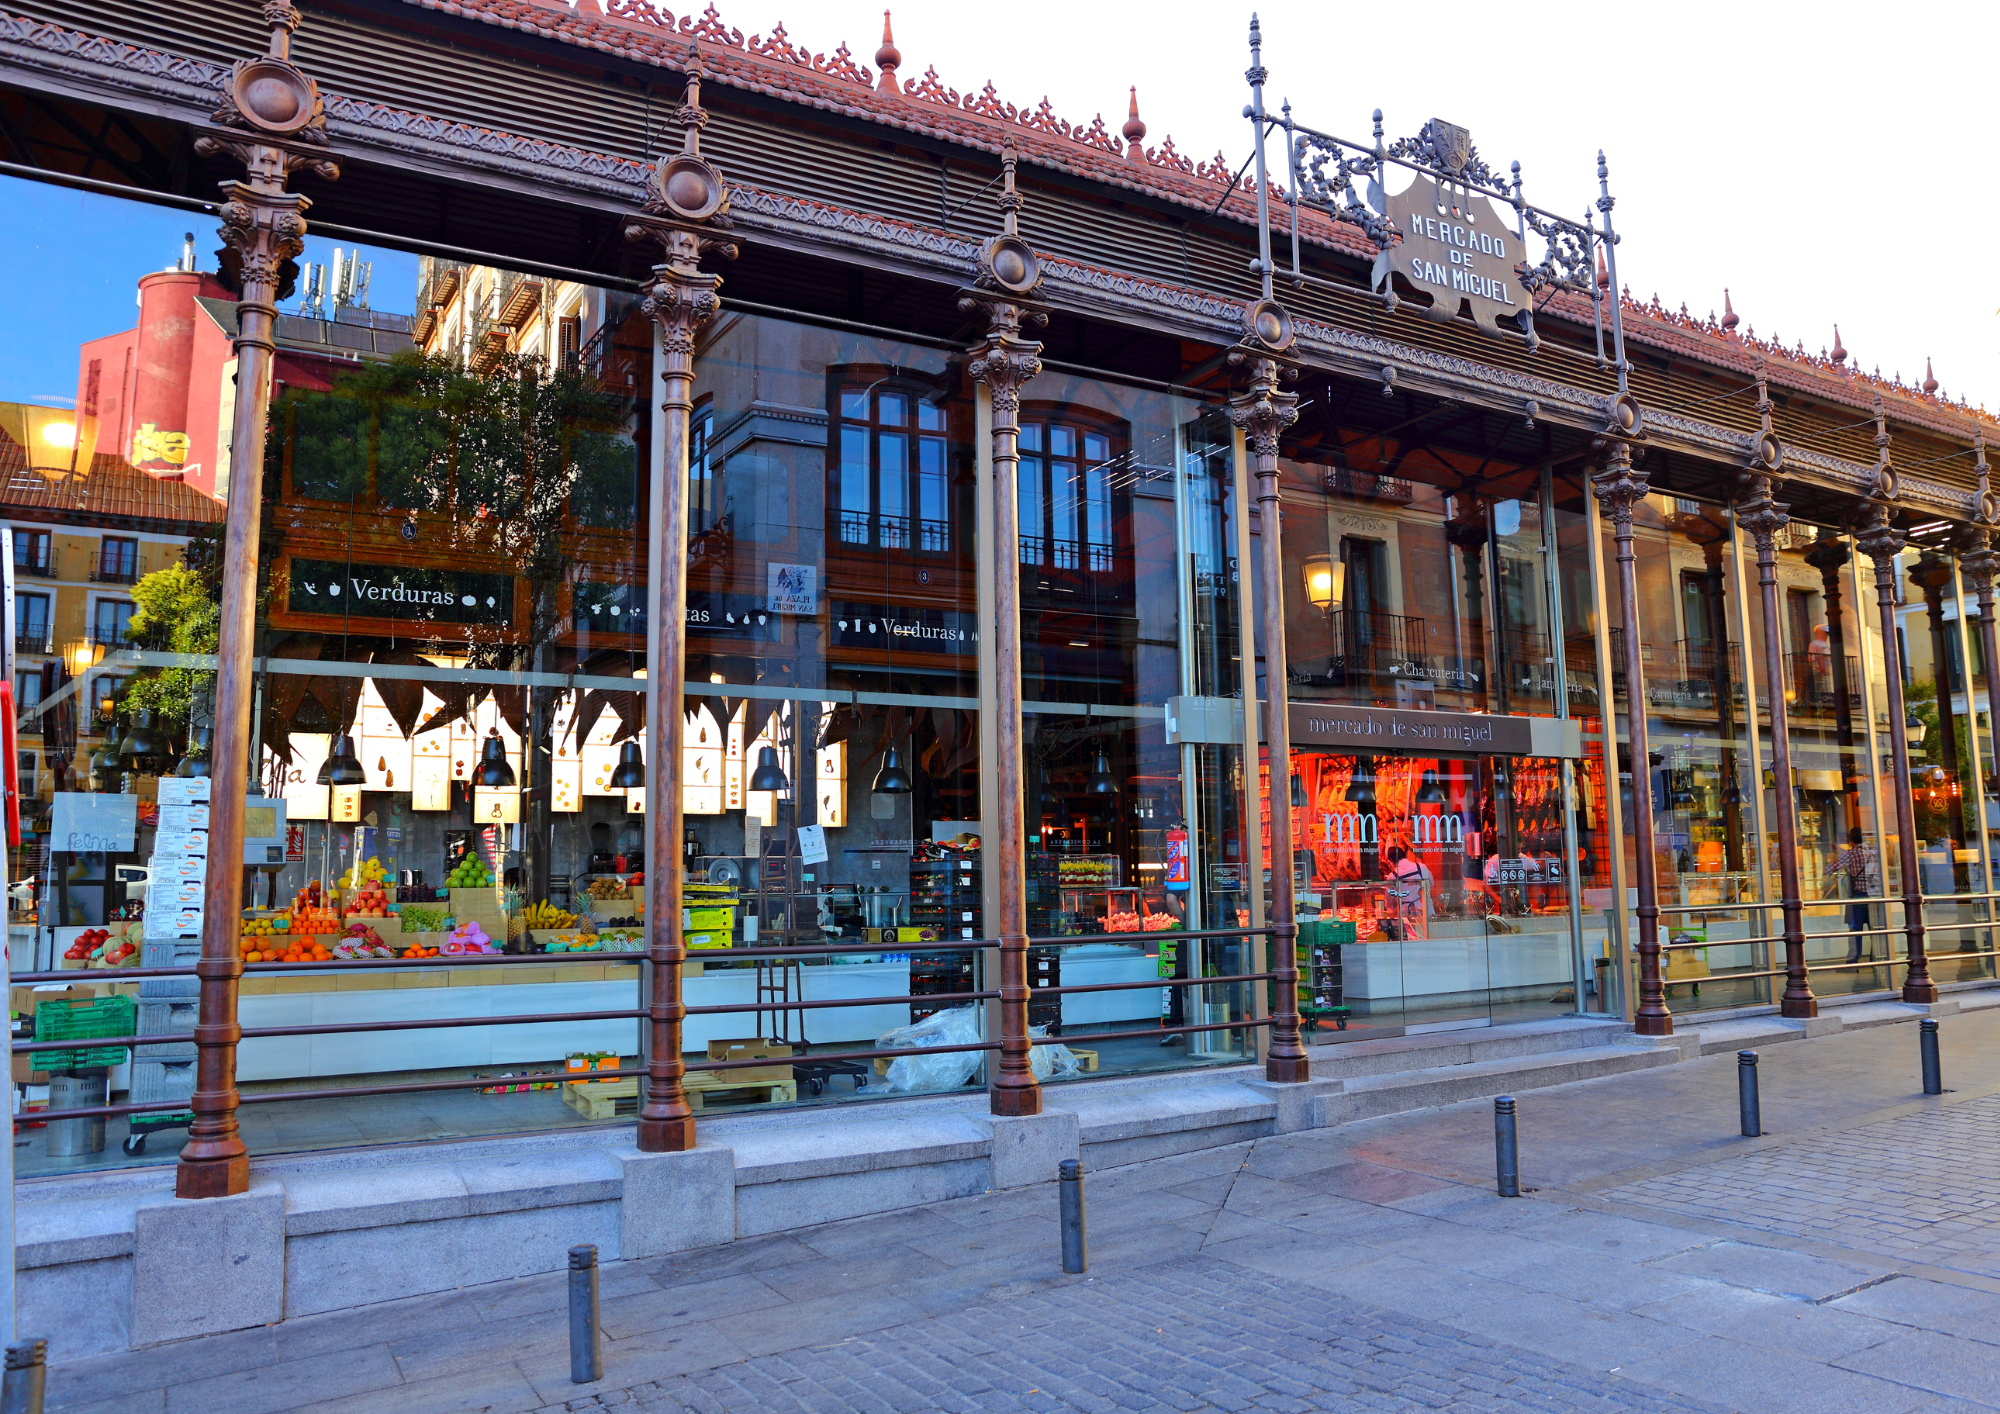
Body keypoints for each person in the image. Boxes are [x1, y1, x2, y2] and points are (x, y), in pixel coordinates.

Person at [1835, 826, 1879, 965]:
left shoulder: (1852, 854)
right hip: (1874, 895)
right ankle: (1876, 959)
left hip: (1859, 896)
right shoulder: (1872, 852)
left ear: (1850, 839)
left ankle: (1853, 961)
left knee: (1855, 929)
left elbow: (1830, 868)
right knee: (1875, 929)